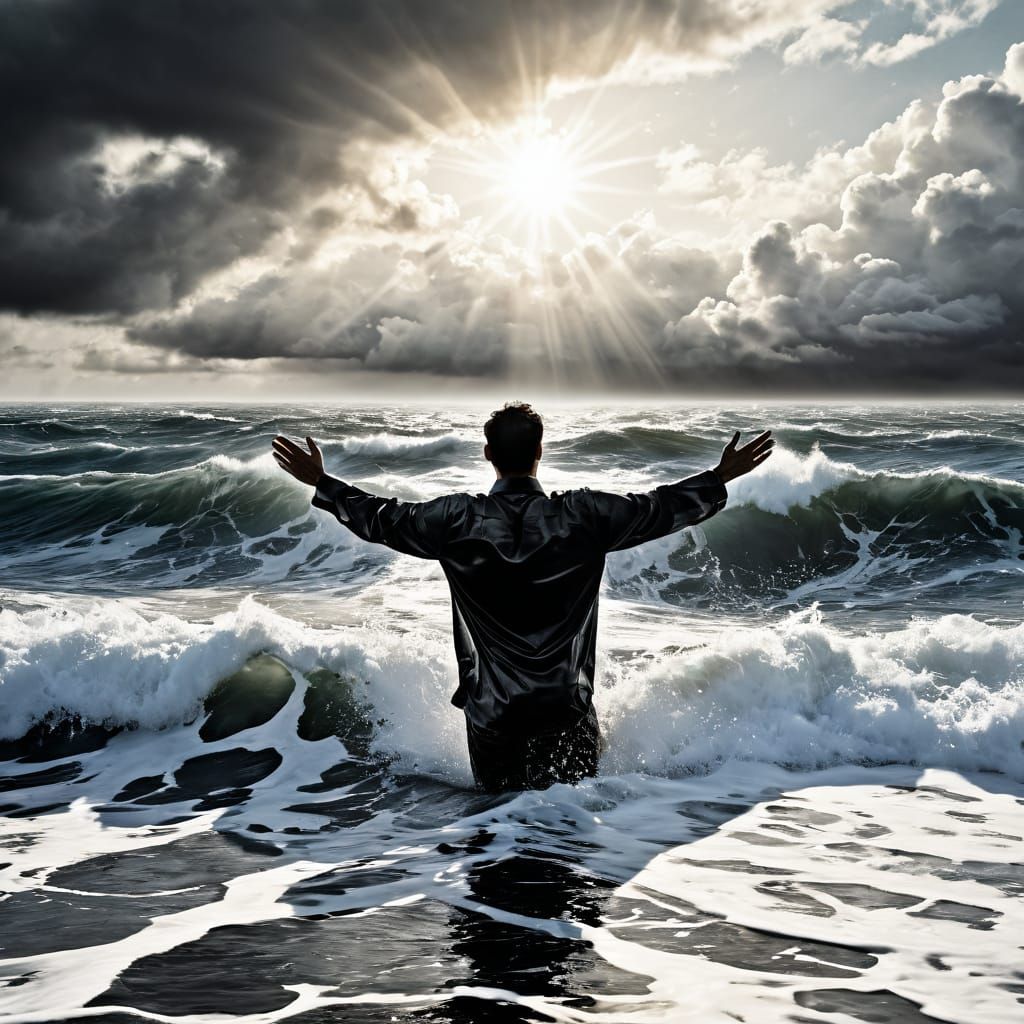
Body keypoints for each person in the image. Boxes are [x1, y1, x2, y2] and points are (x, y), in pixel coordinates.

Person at [272, 403, 773, 792]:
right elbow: (659, 508)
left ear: (488, 454)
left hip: (494, 715)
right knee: (568, 843)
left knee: (498, 842)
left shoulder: (455, 521)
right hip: (566, 706)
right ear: (540, 452)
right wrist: (719, 477)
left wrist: (323, 482)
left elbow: (383, 518)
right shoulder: (583, 516)